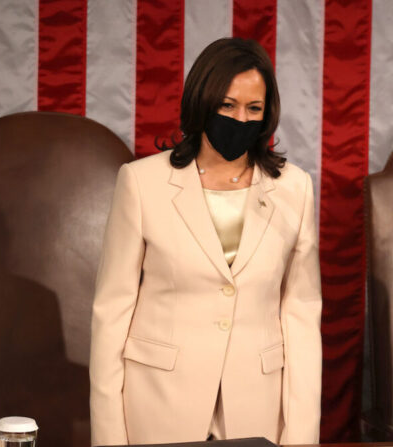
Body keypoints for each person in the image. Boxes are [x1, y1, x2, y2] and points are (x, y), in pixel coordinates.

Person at [89, 38, 322, 446]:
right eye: (227, 106)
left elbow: (301, 318)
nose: (240, 119)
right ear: (201, 103)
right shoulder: (141, 182)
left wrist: (300, 438)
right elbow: (112, 315)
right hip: (158, 407)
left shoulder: (295, 188)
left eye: (253, 108)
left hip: (257, 412)